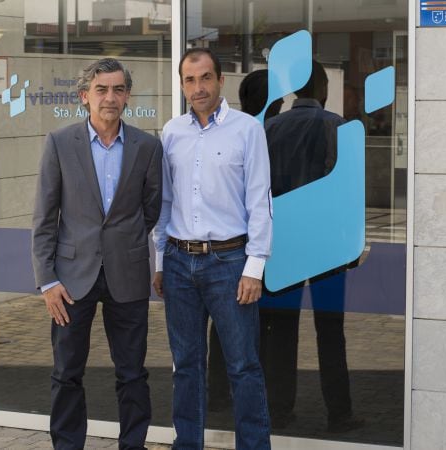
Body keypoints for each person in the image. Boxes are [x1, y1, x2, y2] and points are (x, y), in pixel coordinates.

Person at [31, 57, 163, 450]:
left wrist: (128, 243)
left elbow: (150, 209)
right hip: (71, 280)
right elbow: (44, 216)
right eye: (101, 89)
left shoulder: (147, 146)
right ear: (84, 96)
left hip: (128, 273)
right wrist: (47, 280)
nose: (110, 97)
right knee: (67, 372)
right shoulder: (59, 143)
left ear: (127, 96)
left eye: (118, 89)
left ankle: (132, 445)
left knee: (132, 373)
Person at [153, 48, 273, 450]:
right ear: (183, 85)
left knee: (243, 366)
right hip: (178, 261)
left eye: (205, 78)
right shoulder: (171, 133)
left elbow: (260, 200)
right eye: (190, 80)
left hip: (229, 262)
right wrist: (159, 261)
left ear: (222, 81)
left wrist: (254, 267)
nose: (198, 87)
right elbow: (165, 203)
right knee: (186, 367)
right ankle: (187, 444)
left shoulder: (247, 129)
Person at [263, 60, 364, 433]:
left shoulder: (269, 128)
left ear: (292, 91)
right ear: (323, 89)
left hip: (283, 245)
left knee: (281, 331)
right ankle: (339, 413)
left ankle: (278, 410)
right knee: (330, 330)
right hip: (326, 246)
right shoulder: (336, 126)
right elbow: (347, 190)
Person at [207, 69, 282, 413]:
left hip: (250, 255)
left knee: (229, 334)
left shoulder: (253, 131)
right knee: (259, 334)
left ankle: (221, 395)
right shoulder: (249, 134)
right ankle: (275, 403)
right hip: (241, 255)